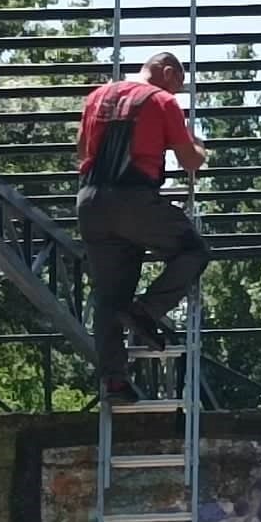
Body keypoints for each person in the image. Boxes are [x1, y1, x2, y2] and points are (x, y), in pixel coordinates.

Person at [75, 51, 210, 404]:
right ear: (166, 72)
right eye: (178, 85)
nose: (177, 93)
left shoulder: (96, 97)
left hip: (90, 201)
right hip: (133, 200)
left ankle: (114, 384)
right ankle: (145, 311)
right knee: (193, 251)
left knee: (108, 296)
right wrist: (196, 144)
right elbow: (191, 161)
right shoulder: (163, 102)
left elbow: (81, 149)